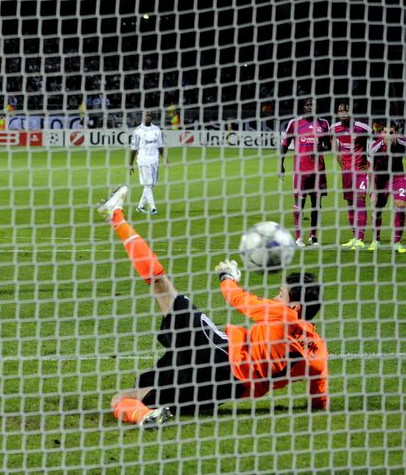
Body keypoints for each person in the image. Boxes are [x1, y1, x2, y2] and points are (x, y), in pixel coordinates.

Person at [96, 186, 329, 429]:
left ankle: (116, 215)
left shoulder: (283, 315)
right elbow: (319, 391)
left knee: (161, 286)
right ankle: (144, 417)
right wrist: (319, 405)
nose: (276, 296)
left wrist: (227, 276)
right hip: (223, 390)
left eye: (281, 294)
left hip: (219, 354)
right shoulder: (318, 351)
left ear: (297, 305)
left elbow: (237, 299)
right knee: (129, 398)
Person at [280, 97, 331, 246]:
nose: (310, 107)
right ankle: (298, 237)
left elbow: (327, 145)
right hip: (300, 171)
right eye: (308, 105)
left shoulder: (324, 124)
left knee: (316, 204)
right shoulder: (294, 123)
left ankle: (313, 236)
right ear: (304, 107)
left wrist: (321, 148)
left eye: (313, 105)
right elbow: (285, 143)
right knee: (299, 203)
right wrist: (281, 164)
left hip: (318, 170)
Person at [331, 102, 372, 250]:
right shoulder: (335, 128)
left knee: (360, 199)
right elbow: (332, 141)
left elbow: (377, 140)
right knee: (349, 203)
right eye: (339, 111)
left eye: (344, 111)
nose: (342, 113)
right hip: (346, 171)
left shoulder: (362, 127)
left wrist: (370, 161)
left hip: (360, 171)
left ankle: (360, 238)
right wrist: (338, 160)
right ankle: (354, 237)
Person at [367, 122, 406, 253]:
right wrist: (372, 191)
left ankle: (396, 242)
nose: (388, 136)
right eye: (385, 133)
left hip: (397, 178)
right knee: (377, 210)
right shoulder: (375, 147)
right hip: (380, 179)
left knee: (400, 205)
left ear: (396, 133)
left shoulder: (402, 143)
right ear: (381, 133)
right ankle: (375, 239)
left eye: (391, 133)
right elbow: (370, 170)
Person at [129, 111, 165, 214]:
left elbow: (160, 146)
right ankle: (153, 208)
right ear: (142, 117)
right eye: (146, 115)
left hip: (155, 160)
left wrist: (165, 159)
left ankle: (140, 206)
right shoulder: (137, 131)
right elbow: (133, 148)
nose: (148, 117)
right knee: (148, 184)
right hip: (143, 160)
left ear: (151, 117)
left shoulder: (156, 130)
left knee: (151, 185)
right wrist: (130, 164)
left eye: (149, 115)